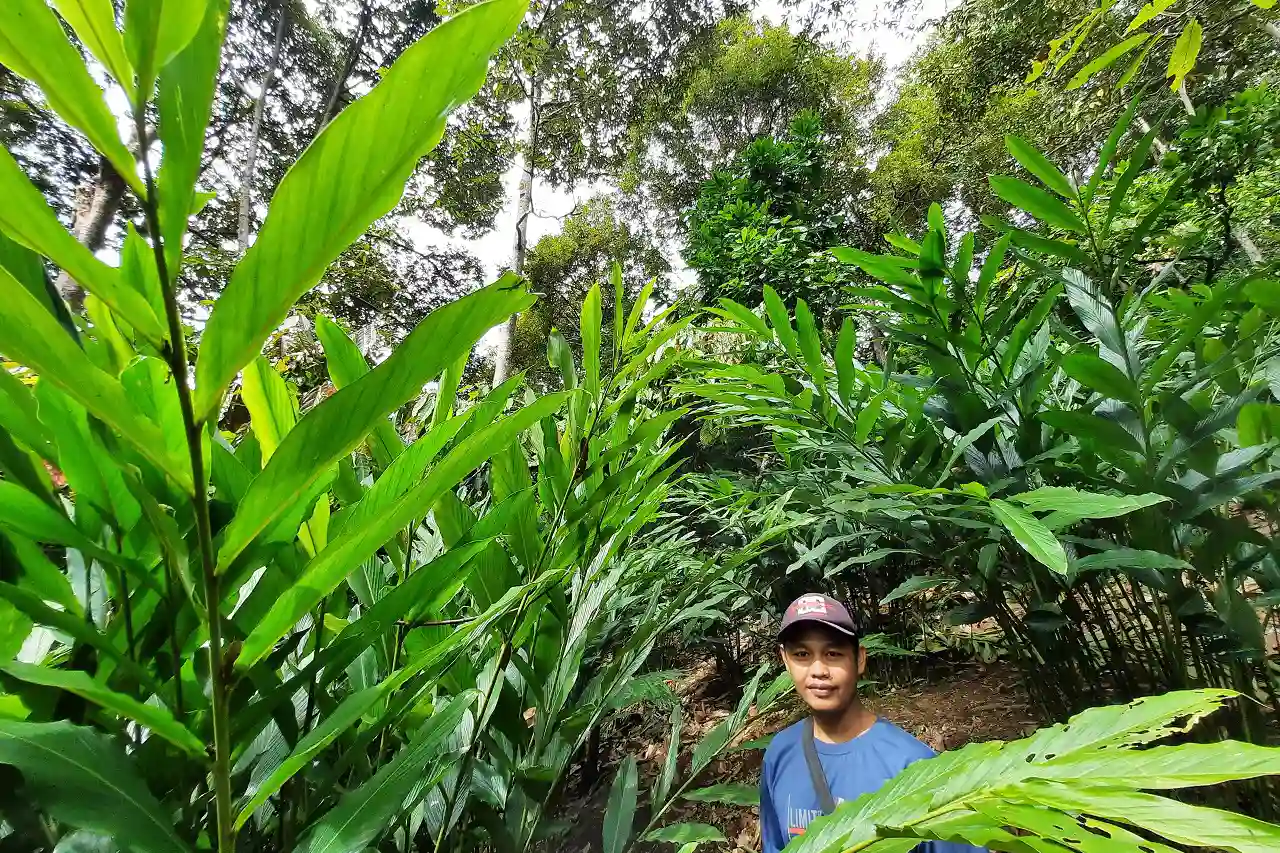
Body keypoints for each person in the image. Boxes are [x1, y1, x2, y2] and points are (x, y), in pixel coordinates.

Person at [759, 593, 985, 853]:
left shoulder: (912, 766)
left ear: (859, 659)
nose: (818, 670)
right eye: (802, 654)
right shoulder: (780, 753)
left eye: (833, 653)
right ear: (785, 660)